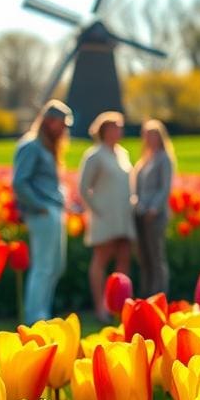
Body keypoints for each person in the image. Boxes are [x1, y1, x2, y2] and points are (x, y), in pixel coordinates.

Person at [12, 100, 72, 325]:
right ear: (49, 121)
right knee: (43, 266)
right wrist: (39, 206)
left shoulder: (48, 146)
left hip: (53, 210)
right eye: (61, 123)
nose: (64, 128)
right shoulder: (32, 146)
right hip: (43, 213)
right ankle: (35, 317)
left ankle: (42, 312)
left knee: (56, 266)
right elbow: (20, 182)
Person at [78, 111, 135, 320]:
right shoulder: (95, 155)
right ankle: (101, 307)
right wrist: (97, 209)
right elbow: (84, 188)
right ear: (104, 130)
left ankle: (120, 306)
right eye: (115, 127)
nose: (119, 131)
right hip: (104, 216)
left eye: (120, 127)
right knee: (101, 259)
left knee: (124, 258)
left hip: (124, 215)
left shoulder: (123, 153)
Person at [133, 119, 175, 297]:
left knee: (156, 255)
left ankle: (158, 294)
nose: (150, 138)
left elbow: (164, 188)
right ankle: (145, 293)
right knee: (144, 256)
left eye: (154, 135)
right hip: (140, 213)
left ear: (160, 137)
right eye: (147, 135)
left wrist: (153, 208)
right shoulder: (145, 159)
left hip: (155, 215)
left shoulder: (164, 159)